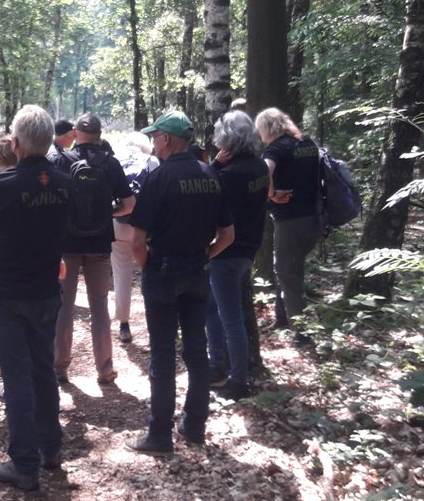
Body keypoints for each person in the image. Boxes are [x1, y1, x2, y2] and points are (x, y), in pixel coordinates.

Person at [0, 105, 73, 490]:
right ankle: (51, 449)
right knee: (42, 368)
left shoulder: (1, 185)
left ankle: (25, 464)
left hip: (6, 294)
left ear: (16, 143)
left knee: (16, 375)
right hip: (45, 290)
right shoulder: (65, 183)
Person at [126, 110, 234, 455]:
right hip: (198, 271)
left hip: (163, 270)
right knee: (196, 349)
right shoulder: (210, 174)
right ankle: (195, 426)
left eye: (155, 137)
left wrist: (150, 267)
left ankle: (159, 435)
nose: (153, 142)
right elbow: (228, 235)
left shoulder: (159, 178)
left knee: (162, 353)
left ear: (167, 139)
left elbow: (136, 242)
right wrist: (205, 256)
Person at [52, 112, 135, 386]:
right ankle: (105, 369)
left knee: (64, 305)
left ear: (75, 133)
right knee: (99, 305)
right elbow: (129, 204)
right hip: (100, 243)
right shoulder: (110, 163)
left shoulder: (61, 161)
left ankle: (60, 367)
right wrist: (108, 213)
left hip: (67, 244)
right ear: (99, 135)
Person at [206, 110, 269, 399]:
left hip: (226, 250)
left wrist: (214, 166)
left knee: (231, 317)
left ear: (228, 138)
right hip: (248, 247)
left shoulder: (228, 174)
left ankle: (238, 381)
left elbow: (208, 196)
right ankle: (216, 365)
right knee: (214, 308)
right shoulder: (259, 167)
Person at [255, 107, 322, 346]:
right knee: (290, 269)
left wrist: (272, 194)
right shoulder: (307, 143)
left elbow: (264, 171)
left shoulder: (277, 148)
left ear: (266, 128)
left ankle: (302, 334)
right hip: (315, 216)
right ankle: (282, 318)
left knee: (287, 272)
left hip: (290, 219)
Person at [111, 132, 159, 343]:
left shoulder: (115, 160)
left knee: (121, 273)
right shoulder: (152, 161)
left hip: (117, 223)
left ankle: (124, 324)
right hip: (145, 226)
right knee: (151, 270)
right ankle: (155, 321)